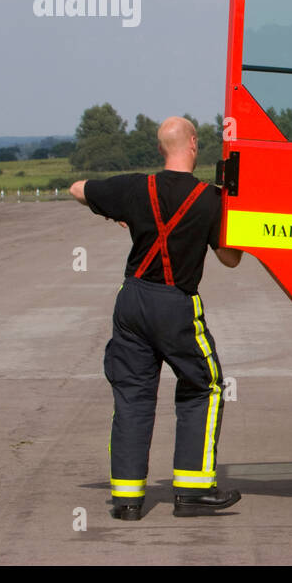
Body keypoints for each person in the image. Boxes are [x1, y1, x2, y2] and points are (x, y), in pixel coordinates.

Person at [70, 117, 244, 521]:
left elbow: (77, 189)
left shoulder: (134, 187)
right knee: (205, 384)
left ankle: (128, 501)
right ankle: (193, 489)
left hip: (131, 301)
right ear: (194, 145)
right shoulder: (210, 199)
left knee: (132, 393)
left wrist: (119, 214)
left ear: (161, 148)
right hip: (175, 304)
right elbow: (231, 260)